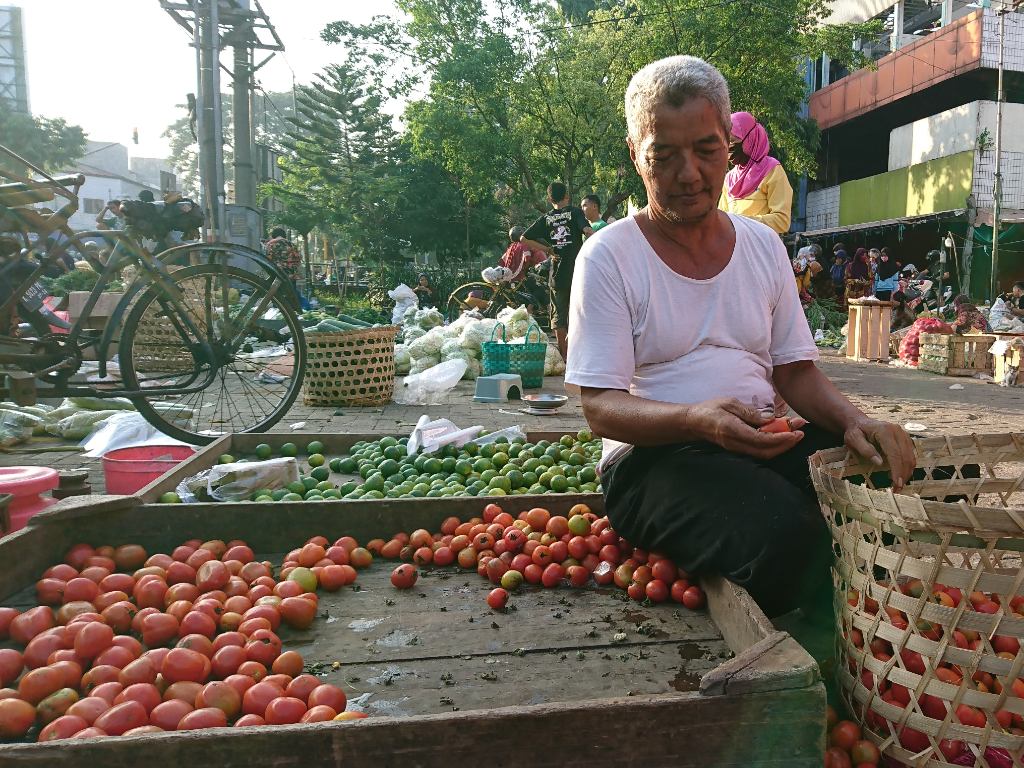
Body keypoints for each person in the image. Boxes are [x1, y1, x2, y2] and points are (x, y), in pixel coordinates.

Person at [565, 55, 915, 622]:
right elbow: (601, 409)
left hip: (764, 435)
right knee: (791, 538)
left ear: (729, 144)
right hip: (653, 461)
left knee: (914, 477)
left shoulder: (761, 246)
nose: (688, 174)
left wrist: (856, 421)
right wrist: (694, 419)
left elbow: (795, 372)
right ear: (636, 155)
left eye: (705, 150)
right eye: (664, 155)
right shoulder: (609, 257)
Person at [521, 182, 593, 360]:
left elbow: (524, 238)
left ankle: (565, 357)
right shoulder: (575, 212)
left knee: (559, 315)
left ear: (549, 199)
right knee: (581, 313)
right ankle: (582, 355)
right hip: (578, 272)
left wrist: (547, 250)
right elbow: (587, 230)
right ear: (567, 196)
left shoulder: (546, 218)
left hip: (558, 274)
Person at [718, 111, 793, 235]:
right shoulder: (729, 178)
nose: (728, 147)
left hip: (762, 250)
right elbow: (721, 219)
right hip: (735, 250)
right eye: (725, 141)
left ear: (750, 138)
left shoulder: (772, 169)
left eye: (733, 140)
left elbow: (782, 221)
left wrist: (743, 222)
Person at [500, 226, 548, 312]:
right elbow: (527, 258)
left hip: (513, 277)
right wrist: (526, 268)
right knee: (540, 291)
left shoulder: (512, 247)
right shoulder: (525, 244)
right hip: (533, 272)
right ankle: (532, 310)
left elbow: (502, 260)